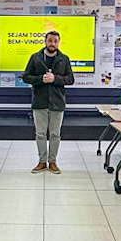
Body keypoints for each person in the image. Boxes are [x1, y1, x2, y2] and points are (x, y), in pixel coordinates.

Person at [22, 31, 75, 174]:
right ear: (45, 41)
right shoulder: (35, 57)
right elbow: (26, 77)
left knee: (55, 134)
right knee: (40, 134)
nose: (52, 43)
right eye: (50, 40)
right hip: (39, 101)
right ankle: (42, 161)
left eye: (55, 41)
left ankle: (52, 162)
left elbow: (70, 79)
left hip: (57, 102)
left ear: (59, 42)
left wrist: (55, 79)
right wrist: (40, 79)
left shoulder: (64, 59)